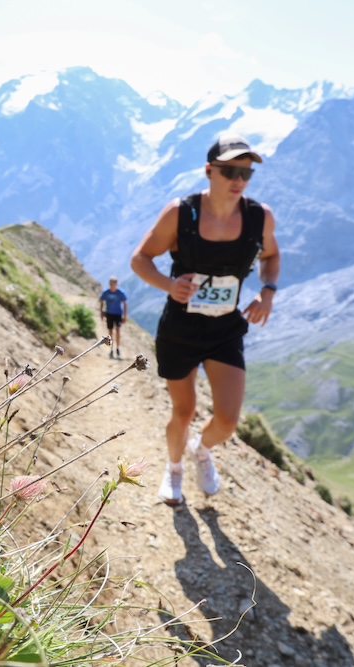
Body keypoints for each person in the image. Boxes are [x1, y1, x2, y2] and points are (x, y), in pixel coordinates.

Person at [130, 133, 280, 506]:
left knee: (228, 420)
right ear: (209, 170)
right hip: (181, 327)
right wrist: (168, 285)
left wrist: (267, 291)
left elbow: (271, 257)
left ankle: (201, 449)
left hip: (225, 328)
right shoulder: (181, 213)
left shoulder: (259, 217)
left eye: (246, 173)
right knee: (184, 411)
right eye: (230, 171)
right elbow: (140, 259)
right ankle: (174, 468)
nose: (239, 180)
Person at [99, 276, 128, 359]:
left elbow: (125, 304)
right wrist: (101, 312)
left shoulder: (120, 293)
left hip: (118, 314)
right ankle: (111, 349)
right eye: (111, 284)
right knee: (110, 331)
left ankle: (117, 347)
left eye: (114, 284)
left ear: (116, 284)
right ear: (109, 284)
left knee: (118, 330)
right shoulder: (106, 292)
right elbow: (101, 301)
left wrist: (124, 316)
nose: (113, 286)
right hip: (109, 314)